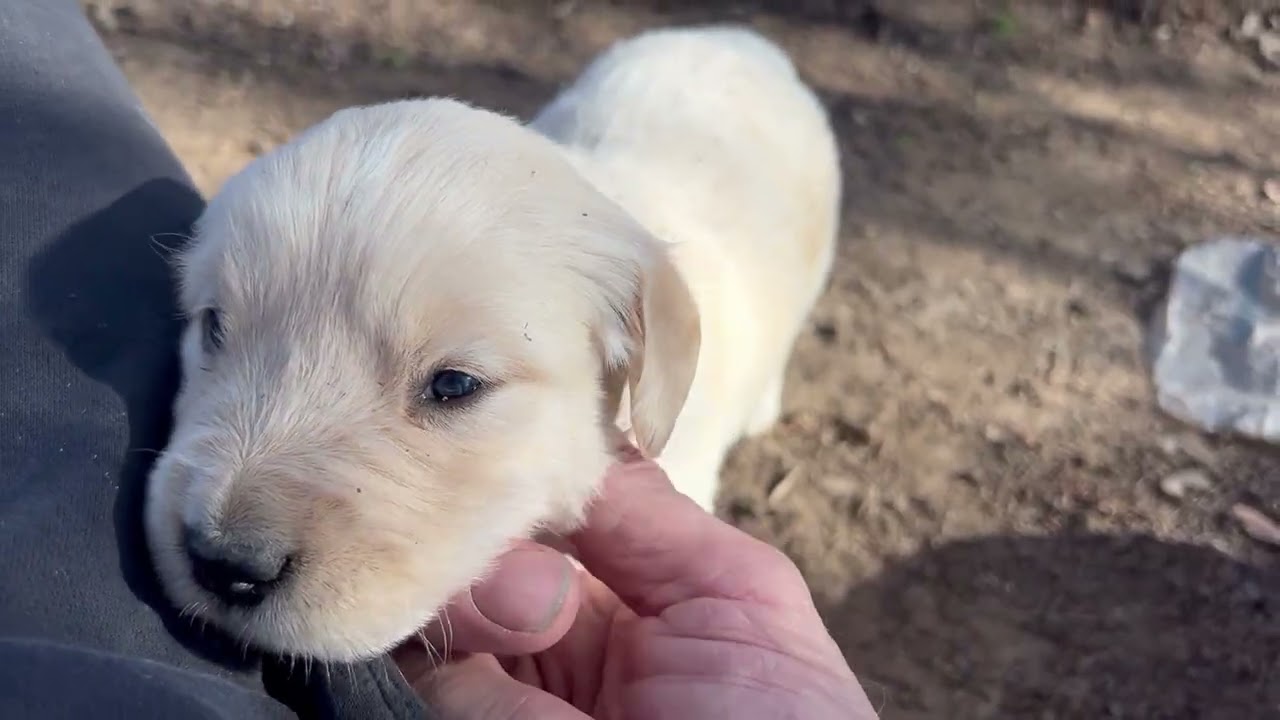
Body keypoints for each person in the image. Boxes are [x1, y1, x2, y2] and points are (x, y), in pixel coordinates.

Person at [0, 1, 877, 718]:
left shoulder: (610, 307)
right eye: (221, 327)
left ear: (627, 366)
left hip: (776, 145)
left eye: (449, 386)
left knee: (759, 398)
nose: (230, 525)